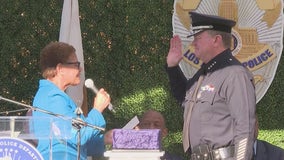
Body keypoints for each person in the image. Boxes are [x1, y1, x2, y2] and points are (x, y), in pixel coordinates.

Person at [166, 12, 256, 160]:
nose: (193, 43)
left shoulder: (234, 74)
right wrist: (172, 67)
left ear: (216, 40)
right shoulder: (205, 73)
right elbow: (184, 99)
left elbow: (245, 128)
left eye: (198, 38)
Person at [32, 41, 111, 160]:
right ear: (60, 68)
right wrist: (97, 110)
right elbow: (79, 136)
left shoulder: (53, 95)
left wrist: (106, 139)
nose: (81, 69)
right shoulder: (52, 97)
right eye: (76, 64)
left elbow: (75, 144)